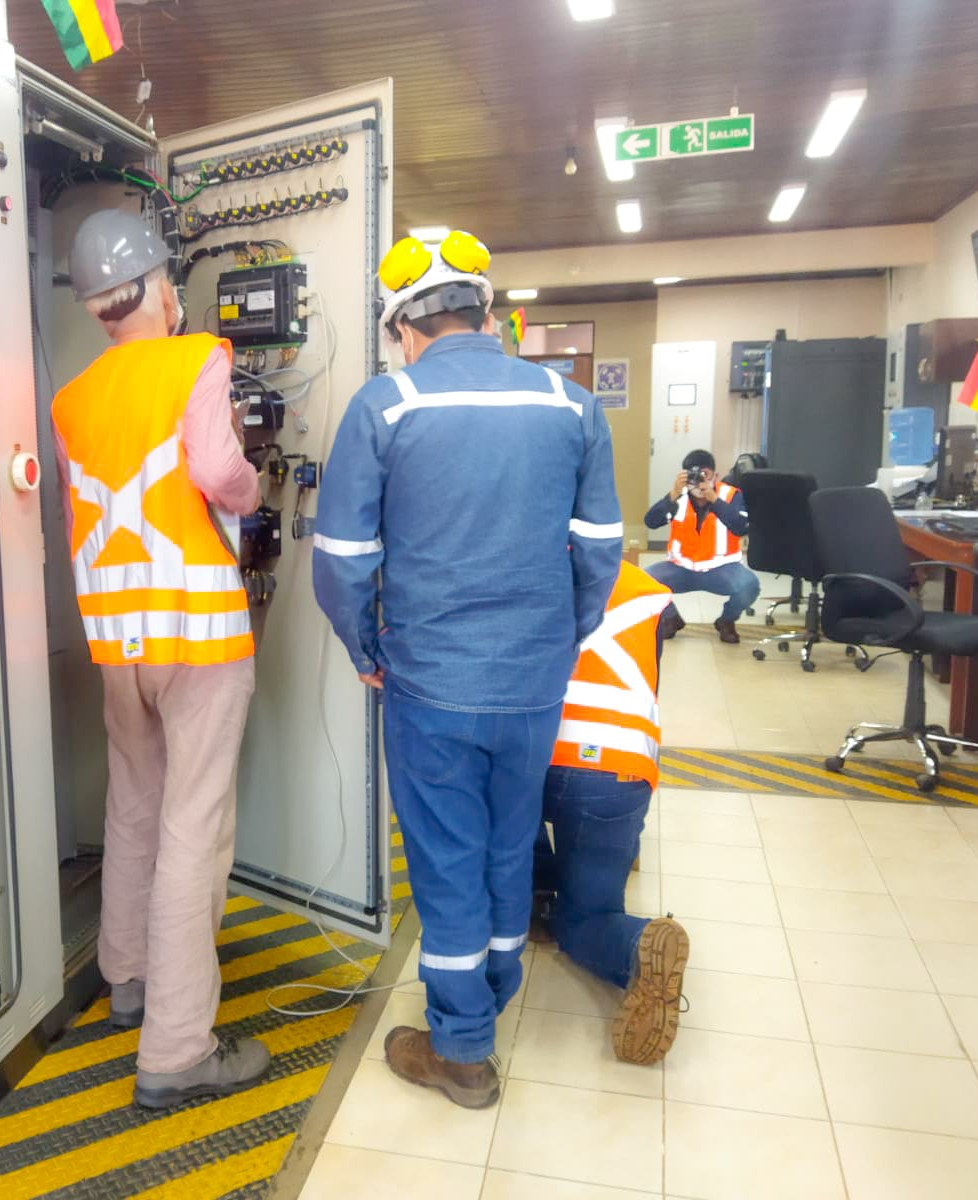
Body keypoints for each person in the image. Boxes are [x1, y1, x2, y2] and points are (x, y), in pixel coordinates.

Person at [313, 230, 621, 1109]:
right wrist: (559, 639)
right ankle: (492, 995)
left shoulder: (386, 405)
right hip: (533, 682)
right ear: (489, 314)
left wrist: (366, 650)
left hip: (430, 683)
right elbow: (601, 547)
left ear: (404, 329)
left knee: (448, 857)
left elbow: (341, 561)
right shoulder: (572, 406)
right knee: (508, 844)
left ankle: (460, 1050)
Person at [51, 209, 268, 1109]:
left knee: (133, 805)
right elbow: (217, 471)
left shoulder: (71, 399)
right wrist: (251, 490)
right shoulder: (197, 359)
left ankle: (128, 980)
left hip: (117, 640)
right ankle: (178, 1050)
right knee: (193, 827)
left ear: (95, 305)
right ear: (155, 290)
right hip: (199, 633)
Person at [532, 561, 690, 1066]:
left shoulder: (515, 566)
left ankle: (534, 891)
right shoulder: (647, 590)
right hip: (618, 769)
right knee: (589, 914)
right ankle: (635, 945)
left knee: (505, 810)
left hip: (530, 757)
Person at [644, 449, 760, 644]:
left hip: (721, 569)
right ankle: (671, 618)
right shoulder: (678, 497)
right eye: (693, 476)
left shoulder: (730, 495)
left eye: (704, 474)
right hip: (681, 568)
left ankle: (726, 620)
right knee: (644, 581)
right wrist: (673, 494)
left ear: (715, 475)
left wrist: (714, 499)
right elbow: (651, 522)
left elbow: (741, 528)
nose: (699, 481)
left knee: (749, 585)